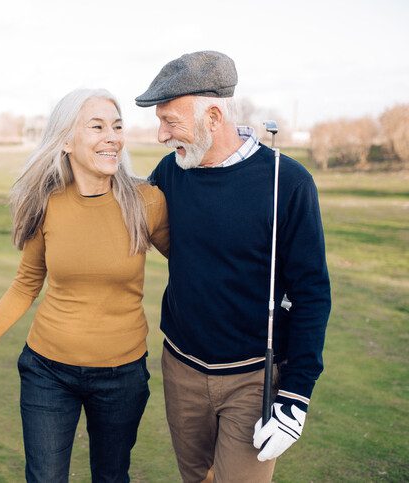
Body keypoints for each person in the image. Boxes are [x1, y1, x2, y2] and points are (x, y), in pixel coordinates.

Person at [0, 88, 169, 482]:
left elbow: (196, 264)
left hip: (122, 376)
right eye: (97, 126)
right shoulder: (47, 202)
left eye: (117, 126)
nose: (112, 136)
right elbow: (25, 284)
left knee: (112, 477)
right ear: (66, 140)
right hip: (47, 372)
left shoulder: (146, 201)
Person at [135, 51, 331, 482]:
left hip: (253, 380)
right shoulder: (171, 171)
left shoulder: (289, 182)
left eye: (170, 121)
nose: (161, 135)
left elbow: (312, 293)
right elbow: (129, 212)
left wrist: (297, 393)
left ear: (213, 116)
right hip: (180, 368)